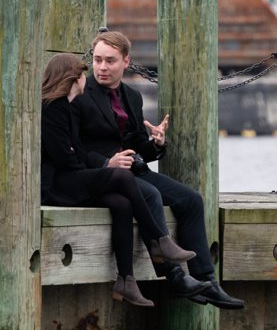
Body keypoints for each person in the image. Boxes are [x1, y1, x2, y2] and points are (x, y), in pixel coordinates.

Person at [74, 29, 245, 310]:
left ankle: (207, 280)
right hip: (104, 175)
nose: (102, 67)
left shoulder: (132, 96)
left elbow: (139, 146)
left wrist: (156, 143)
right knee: (151, 195)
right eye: (97, 60)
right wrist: (106, 162)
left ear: (126, 62)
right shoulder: (81, 94)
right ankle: (175, 277)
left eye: (110, 61)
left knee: (191, 200)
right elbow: (73, 146)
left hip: (135, 171)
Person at [39, 53, 195, 307]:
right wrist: (92, 166)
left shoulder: (66, 107)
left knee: (122, 204)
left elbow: (73, 151)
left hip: (72, 176)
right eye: (82, 74)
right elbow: (61, 155)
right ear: (73, 78)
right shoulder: (52, 107)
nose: (85, 78)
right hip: (56, 184)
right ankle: (159, 240)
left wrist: (153, 144)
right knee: (122, 176)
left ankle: (126, 281)